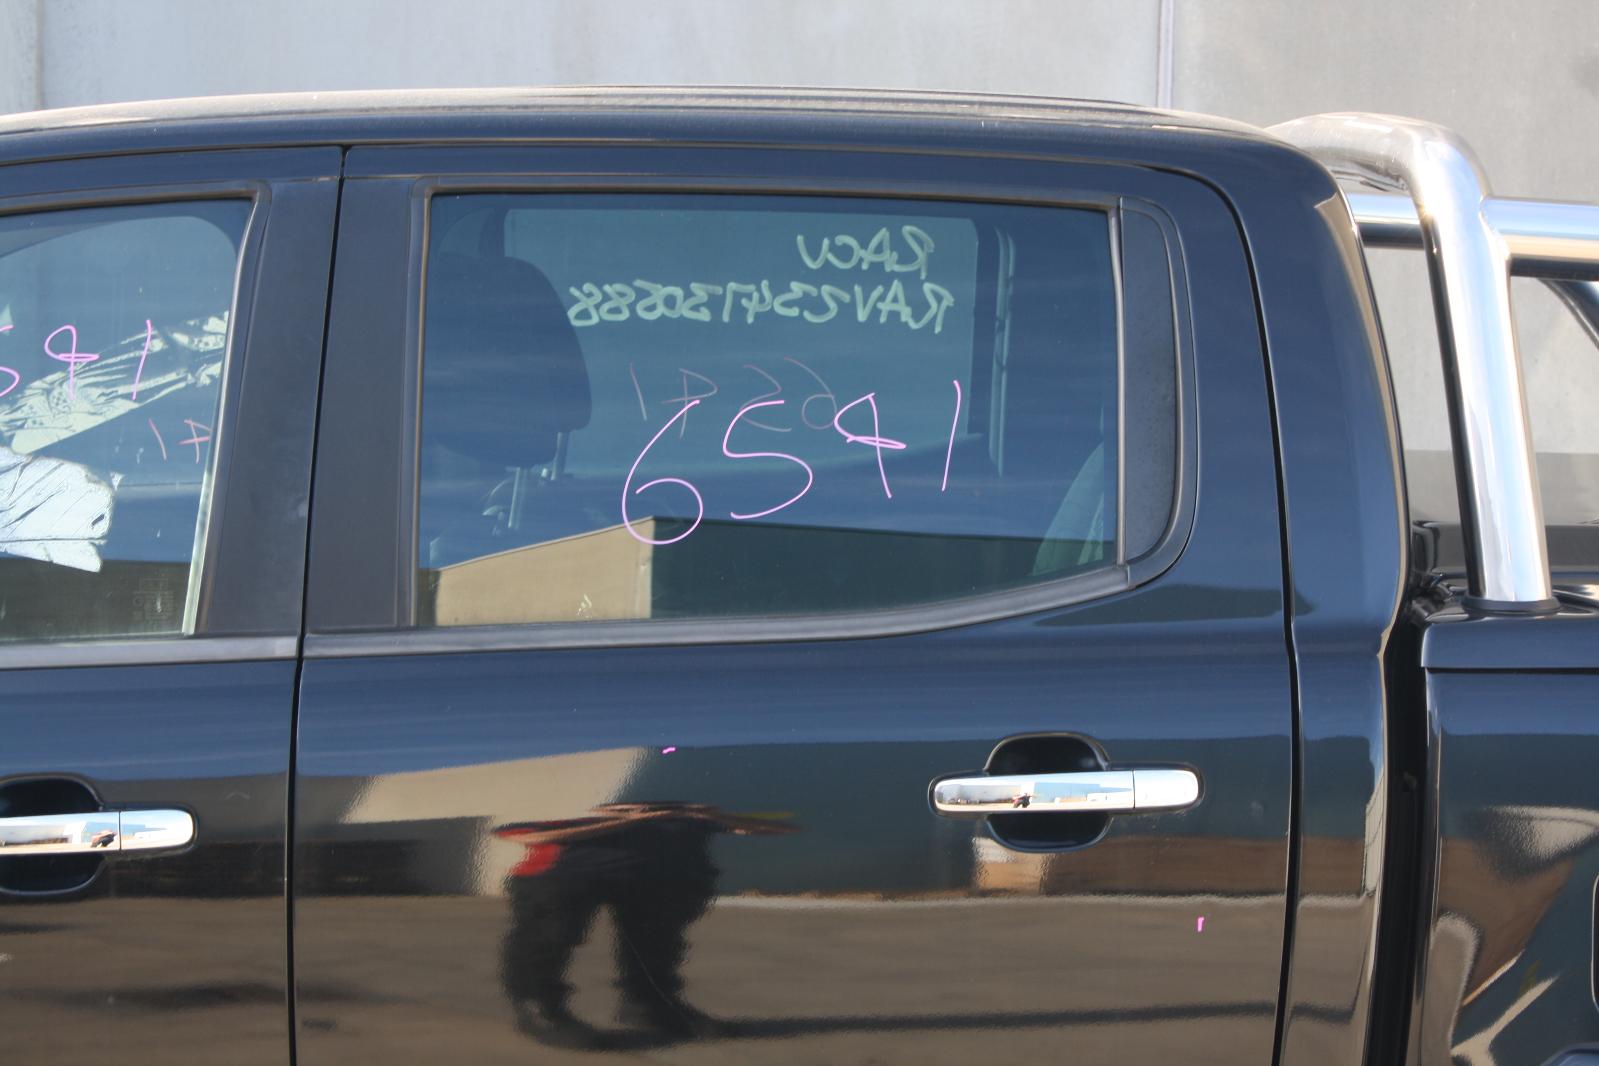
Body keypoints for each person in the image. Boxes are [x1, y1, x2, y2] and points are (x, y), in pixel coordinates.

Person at [494, 801, 794, 1049]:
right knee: (549, 937)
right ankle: (537, 1008)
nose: (650, 809)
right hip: (561, 877)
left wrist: (708, 817)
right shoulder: (572, 817)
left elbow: (778, 828)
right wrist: (630, 821)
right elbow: (531, 838)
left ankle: (651, 1006)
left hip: (651, 881)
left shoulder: (684, 822)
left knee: (656, 943)